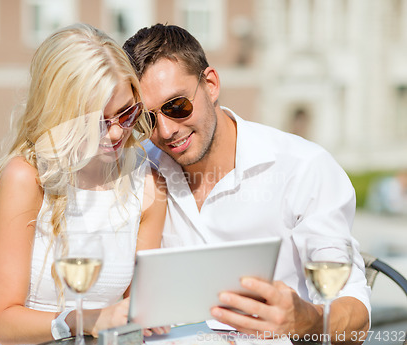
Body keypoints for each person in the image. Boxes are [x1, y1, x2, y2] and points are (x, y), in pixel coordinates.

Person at [123, 24, 370, 343]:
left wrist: (306, 320)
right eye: (148, 119)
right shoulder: (135, 169)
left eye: (177, 106)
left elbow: (357, 316)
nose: (167, 130)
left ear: (211, 85)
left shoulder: (302, 167)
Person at [0, 23, 167, 345]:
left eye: (126, 113)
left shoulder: (148, 185)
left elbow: (136, 311)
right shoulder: (28, 177)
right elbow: (3, 322)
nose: (116, 133)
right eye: (96, 121)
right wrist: (89, 320)